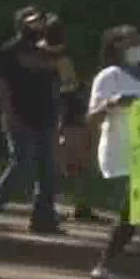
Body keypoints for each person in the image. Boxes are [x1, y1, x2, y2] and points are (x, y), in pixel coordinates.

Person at [87, 25, 140, 279]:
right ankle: (104, 264)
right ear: (117, 47)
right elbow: (92, 117)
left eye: (139, 41)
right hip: (121, 151)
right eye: (130, 42)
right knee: (135, 209)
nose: (137, 47)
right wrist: (112, 103)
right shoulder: (109, 76)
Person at [0, 7, 64, 233]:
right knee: (22, 164)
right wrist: (9, 115)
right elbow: (1, 87)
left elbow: (59, 84)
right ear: (22, 24)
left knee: (48, 169)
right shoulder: (7, 53)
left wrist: (59, 116)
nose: (38, 25)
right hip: (19, 116)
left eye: (41, 21)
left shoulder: (50, 52)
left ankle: (43, 217)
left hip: (46, 116)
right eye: (33, 22)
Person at [45, 17, 97, 221]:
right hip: (64, 114)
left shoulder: (55, 55)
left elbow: (70, 85)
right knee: (66, 161)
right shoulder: (56, 55)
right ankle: (58, 204)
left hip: (67, 113)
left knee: (72, 162)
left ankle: (78, 205)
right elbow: (69, 87)